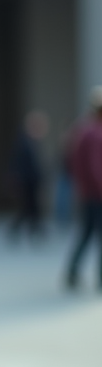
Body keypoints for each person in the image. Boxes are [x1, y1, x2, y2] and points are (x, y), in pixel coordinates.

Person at [65, 87, 102, 290]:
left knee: (86, 233)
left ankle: (72, 271)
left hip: (87, 193)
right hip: (97, 194)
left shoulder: (83, 130)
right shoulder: (96, 133)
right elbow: (96, 168)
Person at [7, 110, 49, 243]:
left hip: (32, 181)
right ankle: (31, 230)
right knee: (29, 208)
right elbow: (18, 163)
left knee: (31, 208)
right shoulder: (24, 142)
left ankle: (34, 231)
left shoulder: (32, 142)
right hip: (26, 182)